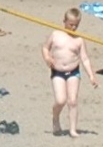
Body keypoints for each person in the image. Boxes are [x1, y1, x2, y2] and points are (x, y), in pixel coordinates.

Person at [41, 7, 98, 137]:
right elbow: (45, 48)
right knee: (60, 100)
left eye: (76, 25)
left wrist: (91, 76)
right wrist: (47, 58)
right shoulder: (56, 35)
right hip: (58, 72)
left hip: (73, 72)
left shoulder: (79, 40)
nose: (73, 28)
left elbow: (85, 59)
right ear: (64, 21)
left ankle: (73, 129)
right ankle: (55, 118)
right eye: (71, 24)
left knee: (72, 101)